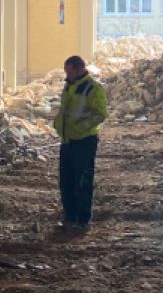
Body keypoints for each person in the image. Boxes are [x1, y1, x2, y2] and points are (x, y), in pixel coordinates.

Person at [54, 55, 108, 232]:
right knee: (66, 180)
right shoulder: (70, 85)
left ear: (79, 69)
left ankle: (83, 220)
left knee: (82, 180)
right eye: (66, 72)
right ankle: (69, 216)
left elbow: (100, 114)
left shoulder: (93, 88)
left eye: (70, 72)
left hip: (84, 140)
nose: (67, 75)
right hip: (68, 140)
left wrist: (79, 128)